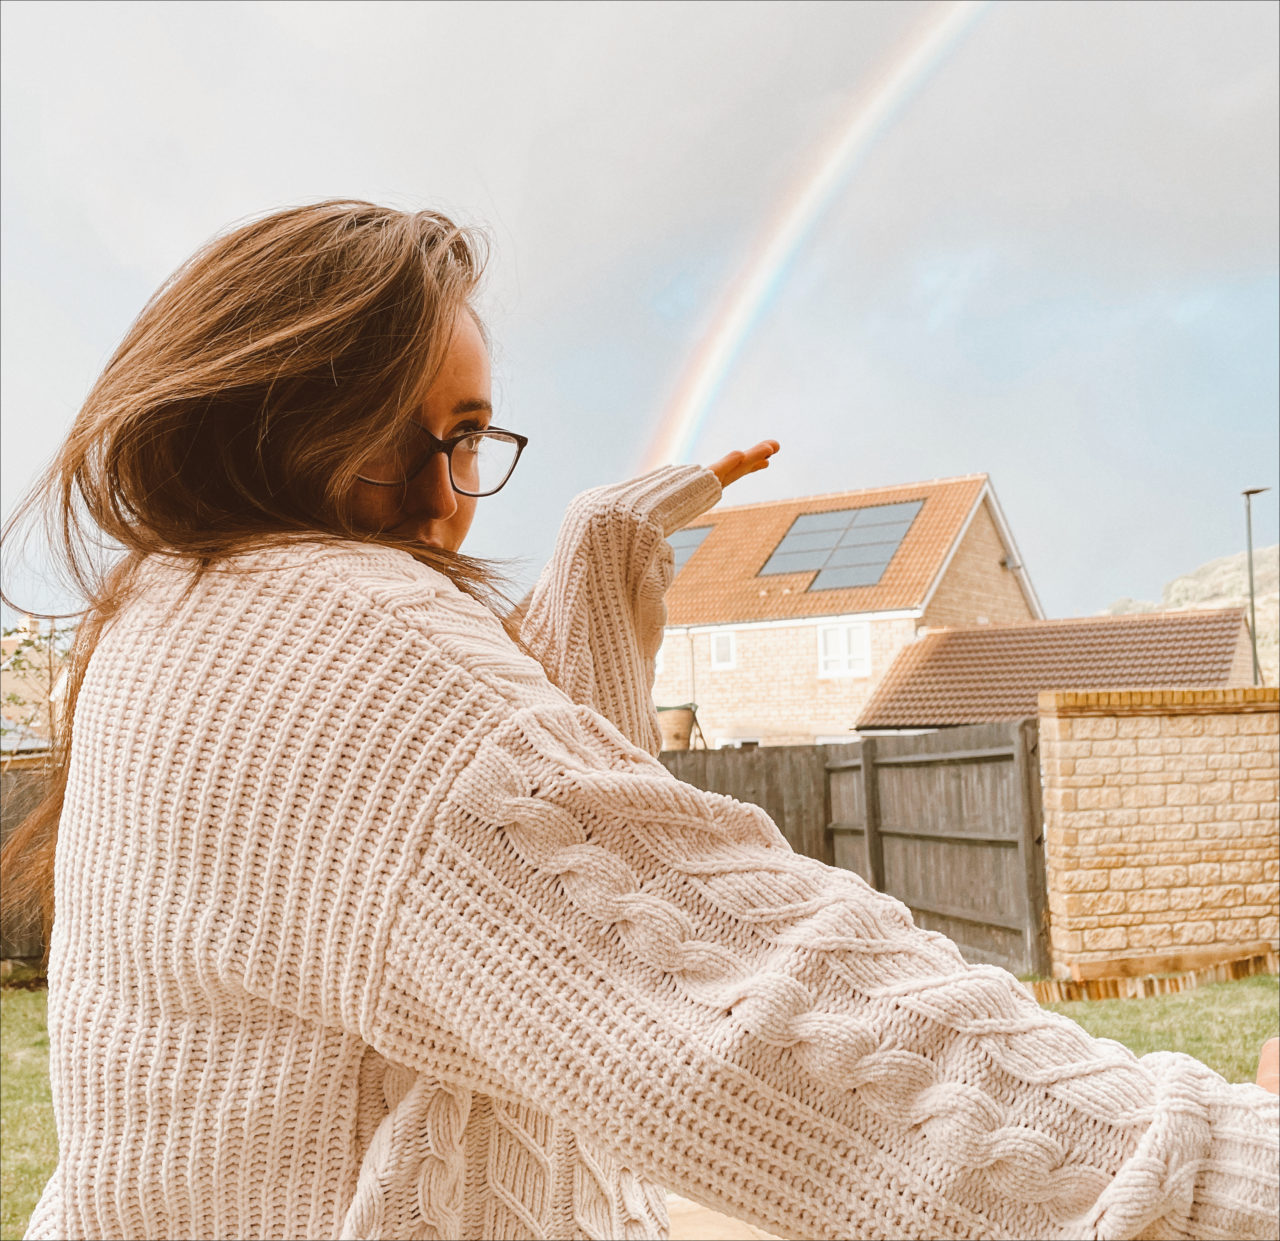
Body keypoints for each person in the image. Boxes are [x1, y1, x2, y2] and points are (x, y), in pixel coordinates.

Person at [2, 200, 1276, 1241]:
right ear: (288, 406)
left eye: (473, 438)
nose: (454, 498)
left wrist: (602, 559)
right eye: (427, 437)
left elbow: (549, 886)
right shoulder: (326, 641)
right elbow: (738, 992)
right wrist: (1231, 1164)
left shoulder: (172, 612)